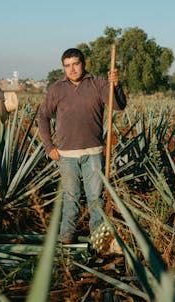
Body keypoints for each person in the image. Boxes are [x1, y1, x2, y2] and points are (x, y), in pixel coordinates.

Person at [37, 48, 127, 244]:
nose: (72, 69)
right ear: (63, 68)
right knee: (71, 198)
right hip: (66, 155)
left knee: (96, 198)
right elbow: (42, 116)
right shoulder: (57, 89)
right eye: (67, 66)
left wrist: (116, 86)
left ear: (83, 64)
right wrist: (49, 147)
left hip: (93, 152)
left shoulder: (98, 83)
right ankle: (66, 237)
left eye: (75, 64)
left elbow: (118, 106)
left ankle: (98, 240)